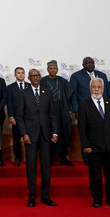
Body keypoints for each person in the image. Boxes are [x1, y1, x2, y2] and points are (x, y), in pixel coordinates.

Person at [78, 78, 110, 208]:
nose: (96, 89)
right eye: (94, 87)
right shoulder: (84, 104)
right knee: (95, 175)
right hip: (93, 147)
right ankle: (97, 199)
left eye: (99, 87)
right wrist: (85, 145)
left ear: (103, 89)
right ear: (90, 88)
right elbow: (82, 128)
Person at [16, 69, 58, 207]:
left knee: (46, 166)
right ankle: (32, 196)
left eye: (37, 75)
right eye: (33, 76)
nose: (35, 78)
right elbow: (20, 117)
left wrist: (55, 132)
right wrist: (24, 134)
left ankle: (46, 196)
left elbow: (52, 114)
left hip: (46, 135)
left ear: (40, 77)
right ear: (28, 78)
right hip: (30, 136)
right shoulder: (23, 93)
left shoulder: (47, 92)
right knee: (31, 167)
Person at [70, 57, 110, 164]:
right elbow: (73, 94)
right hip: (85, 110)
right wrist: (75, 109)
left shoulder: (102, 75)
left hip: (102, 109)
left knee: (103, 132)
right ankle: (87, 157)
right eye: (87, 63)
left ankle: (102, 155)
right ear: (83, 64)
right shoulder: (76, 76)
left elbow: (108, 93)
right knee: (86, 133)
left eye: (91, 62)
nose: (90, 64)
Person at [41, 60, 74, 166]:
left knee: (63, 133)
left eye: (54, 68)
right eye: (50, 68)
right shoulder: (42, 81)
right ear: (47, 69)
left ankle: (64, 157)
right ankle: (49, 158)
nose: (52, 70)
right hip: (48, 113)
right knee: (48, 133)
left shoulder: (63, 81)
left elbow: (69, 95)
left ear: (57, 69)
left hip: (62, 111)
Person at [7, 67, 30, 166]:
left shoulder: (30, 86)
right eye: (18, 73)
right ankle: (17, 158)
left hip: (29, 118)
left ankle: (30, 158)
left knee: (29, 139)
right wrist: (11, 116)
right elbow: (9, 103)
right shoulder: (10, 87)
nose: (21, 74)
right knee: (16, 140)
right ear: (15, 75)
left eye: (22, 73)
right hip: (16, 118)